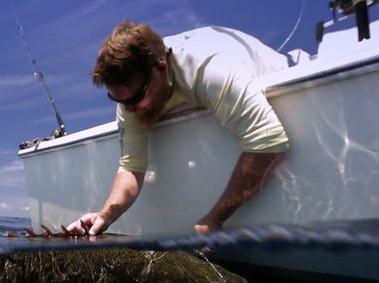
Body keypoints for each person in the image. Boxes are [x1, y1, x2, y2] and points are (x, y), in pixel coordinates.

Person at [66, 21, 290, 236]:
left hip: (280, 72)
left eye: (135, 98)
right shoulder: (129, 100)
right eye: (117, 100)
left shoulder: (210, 69)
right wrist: (106, 214)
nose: (128, 110)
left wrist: (215, 218)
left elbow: (269, 144)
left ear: (161, 67)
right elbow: (131, 167)